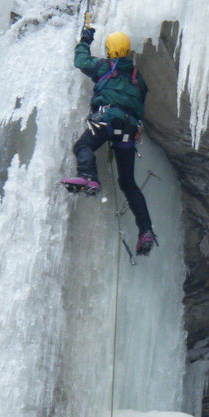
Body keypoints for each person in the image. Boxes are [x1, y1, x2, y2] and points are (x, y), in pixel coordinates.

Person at [67, 27, 157, 256]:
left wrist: (85, 38)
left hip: (107, 120)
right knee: (128, 183)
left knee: (83, 146)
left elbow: (81, 60)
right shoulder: (139, 79)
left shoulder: (104, 67)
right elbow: (139, 102)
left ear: (109, 51)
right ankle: (145, 230)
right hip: (128, 130)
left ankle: (89, 177)